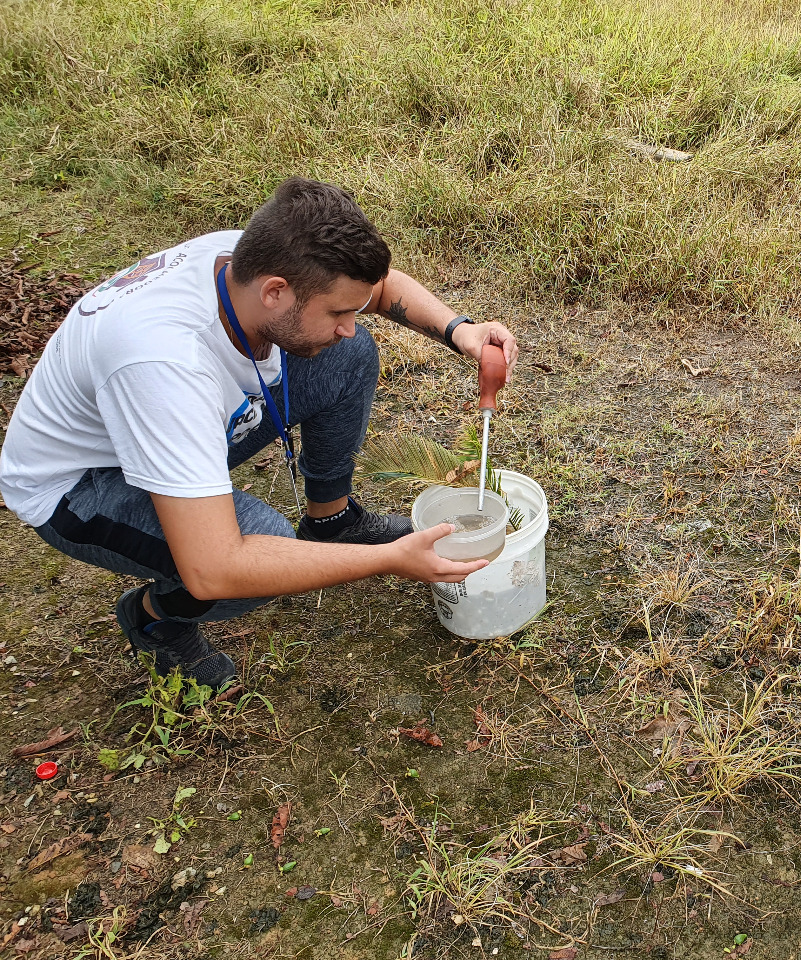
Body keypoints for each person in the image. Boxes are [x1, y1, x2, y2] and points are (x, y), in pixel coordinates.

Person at [0, 178, 519, 691]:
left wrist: (461, 330)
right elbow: (217, 569)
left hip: (175, 425)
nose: (349, 322)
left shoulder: (249, 262)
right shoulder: (163, 362)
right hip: (83, 483)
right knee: (256, 551)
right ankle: (156, 619)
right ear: (275, 292)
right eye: (338, 311)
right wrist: (389, 560)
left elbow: (377, 290)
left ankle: (332, 521)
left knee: (348, 354)